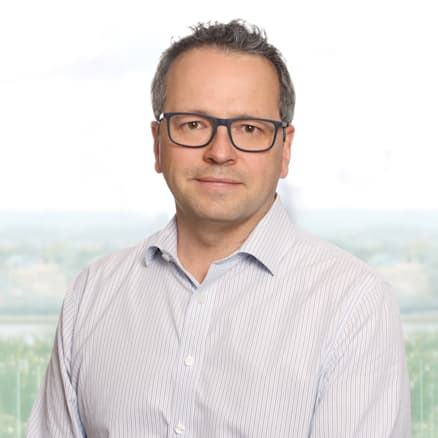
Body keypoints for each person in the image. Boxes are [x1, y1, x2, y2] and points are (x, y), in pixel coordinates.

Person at [26, 19, 411, 437]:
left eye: (249, 128)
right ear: (158, 143)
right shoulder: (92, 295)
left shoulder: (354, 305)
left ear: (285, 150)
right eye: (193, 124)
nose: (220, 152)